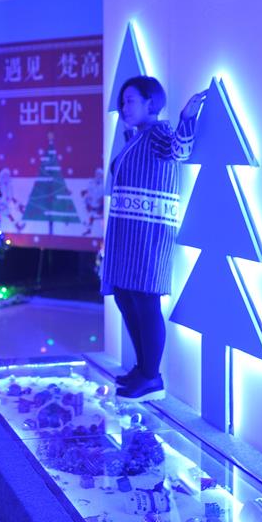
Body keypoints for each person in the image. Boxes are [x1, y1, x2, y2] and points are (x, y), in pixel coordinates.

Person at [101, 76, 206, 402]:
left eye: (130, 100)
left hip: (148, 232)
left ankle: (150, 377)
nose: (124, 106)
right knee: (124, 295)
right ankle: (143, 369)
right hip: (127, 232)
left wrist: (188, 119)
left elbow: (179, 150)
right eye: (123, 101)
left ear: (151, 103)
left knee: (145, 299)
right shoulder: (136, 137)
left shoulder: (158, 132)